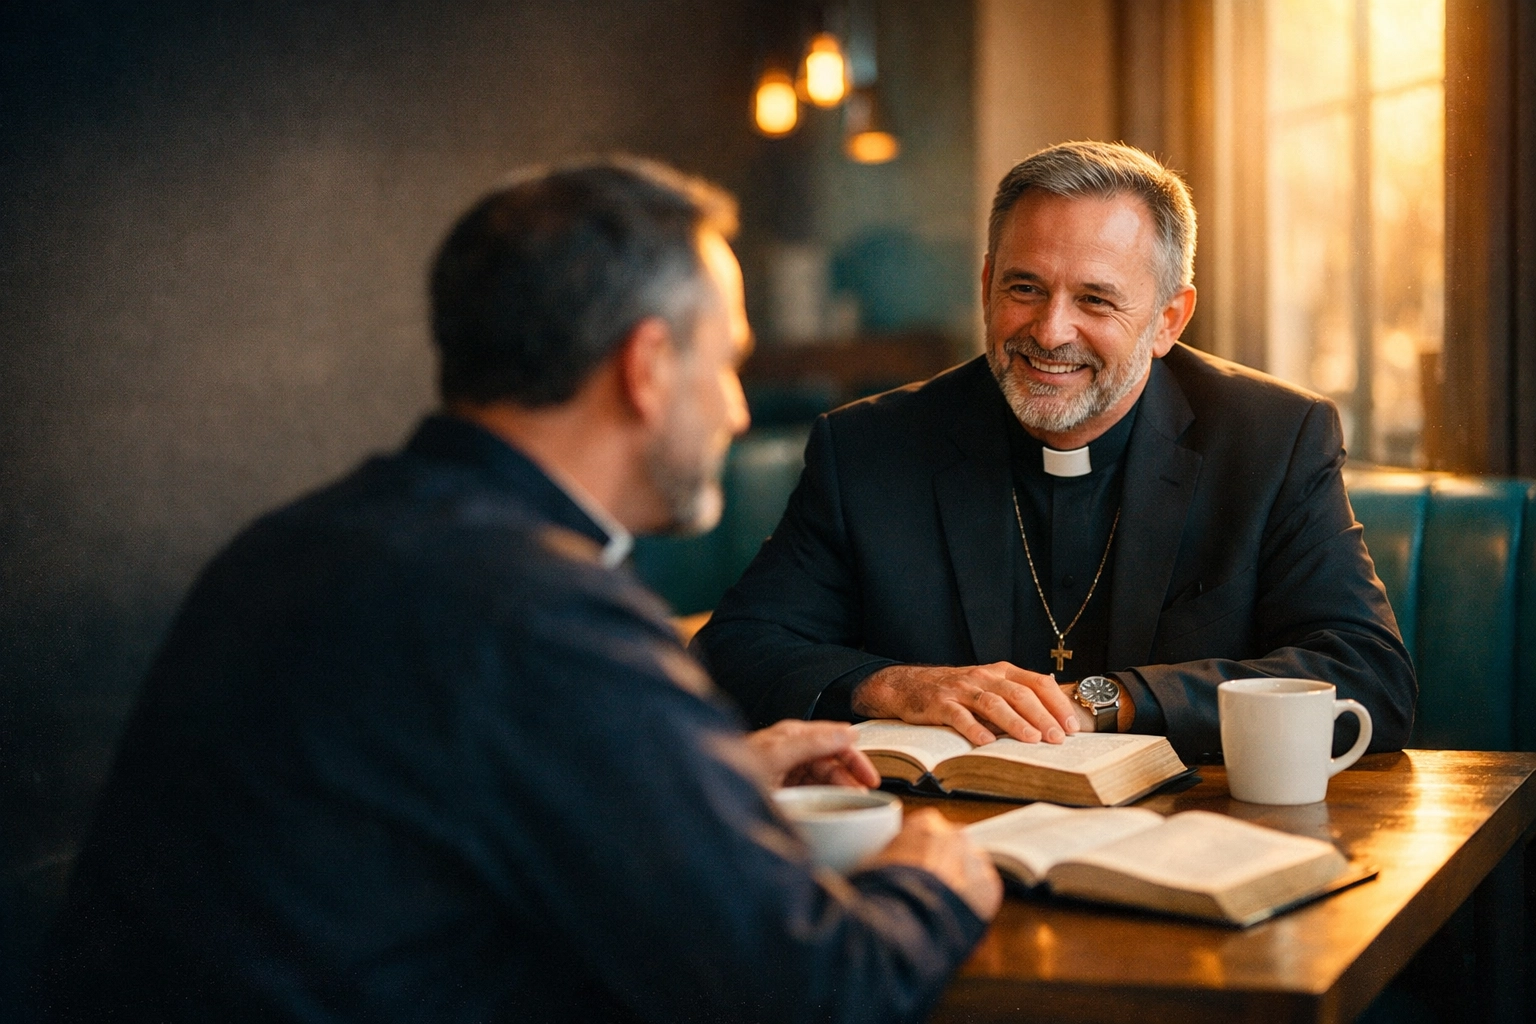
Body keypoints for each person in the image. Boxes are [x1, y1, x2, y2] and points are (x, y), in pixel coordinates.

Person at [34, 158, 1000, 1023]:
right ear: (649, 367)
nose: (740, 409)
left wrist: (687, 782)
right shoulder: (543, 611)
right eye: (730, 363)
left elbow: (410, 819)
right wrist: (932, 880)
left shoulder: (295, 542)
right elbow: (816, 992)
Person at [693, 141, 1416, 762]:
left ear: (1168, 319)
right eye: (1024, 288)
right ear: (985, 286)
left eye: (1096, 300)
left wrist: (1116, 700)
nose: (1050, 331)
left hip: (1192, 838)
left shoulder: (1271, 439)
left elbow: (1368, 676)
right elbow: (735, 651)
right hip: (939, 842)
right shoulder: (870, 449)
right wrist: (897, 685)